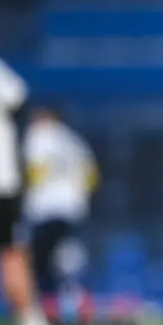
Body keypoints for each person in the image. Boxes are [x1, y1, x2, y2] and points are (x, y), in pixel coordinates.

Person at [0, 26, 52, 325]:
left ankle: (31, 322)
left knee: (12, 253)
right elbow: (19, 99)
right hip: (0, 183)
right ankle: (31, 324)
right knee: (13, 254)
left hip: (1, 183)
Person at [22, 106, 99, 299]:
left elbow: (35, 171)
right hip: (73, 209)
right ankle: (71, 298)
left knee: (40, 263)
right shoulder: (73, 140)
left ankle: (47, 302)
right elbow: (92, 178)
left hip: (45, 209)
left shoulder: (39, 135)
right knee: (67, 258)